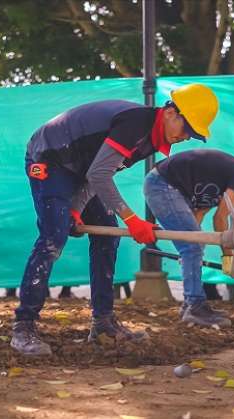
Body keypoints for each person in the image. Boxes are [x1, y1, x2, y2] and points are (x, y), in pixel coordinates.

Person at [12, 84, 220, 356]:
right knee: (54, 236)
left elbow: (94, 172)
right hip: (50, 157)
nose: (186, 137)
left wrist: (77, 206)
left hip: (78, 168)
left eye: (192, 135)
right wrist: (133, 220)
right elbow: (99, 175)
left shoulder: (149, 140)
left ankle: (103, 323)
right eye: (187, 129)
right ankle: (23, 327)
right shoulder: (135, 125)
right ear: (170, 112)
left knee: (107, 234)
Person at [144, 149, 234, 327]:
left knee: (194, 246)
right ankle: (195, 306)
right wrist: (228, 256)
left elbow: (201, 212)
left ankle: (191, 305)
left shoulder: (232, 179)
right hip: (163, 185)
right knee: (193, 247)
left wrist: (193, 248)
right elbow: (220, 218)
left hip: (165, 185)